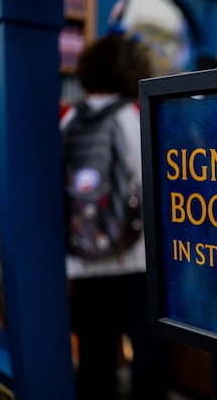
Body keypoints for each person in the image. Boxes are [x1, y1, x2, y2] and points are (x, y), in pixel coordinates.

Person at [60, 34, 169, 400]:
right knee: (149, 360)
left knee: (94, 361)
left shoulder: (70, 118)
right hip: (136, 262)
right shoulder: (135, 117)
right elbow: (157, 187)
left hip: (83, 263)